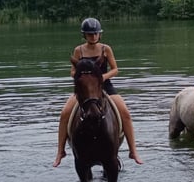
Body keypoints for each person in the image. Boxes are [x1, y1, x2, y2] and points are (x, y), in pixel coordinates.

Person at [53, 18, 143, 167]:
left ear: (99, 34)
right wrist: (82, 77)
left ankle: (133, 150)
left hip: (104, 86)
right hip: (85, 89)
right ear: (84, 35)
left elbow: (115, 69)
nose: (93, 37)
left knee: (125, 113)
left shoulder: (105, 49)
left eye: (95, 34)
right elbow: (73, 71)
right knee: (64, 113)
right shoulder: (78, 50)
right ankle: (60, 151)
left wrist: (101, 78)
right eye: (90, 34)